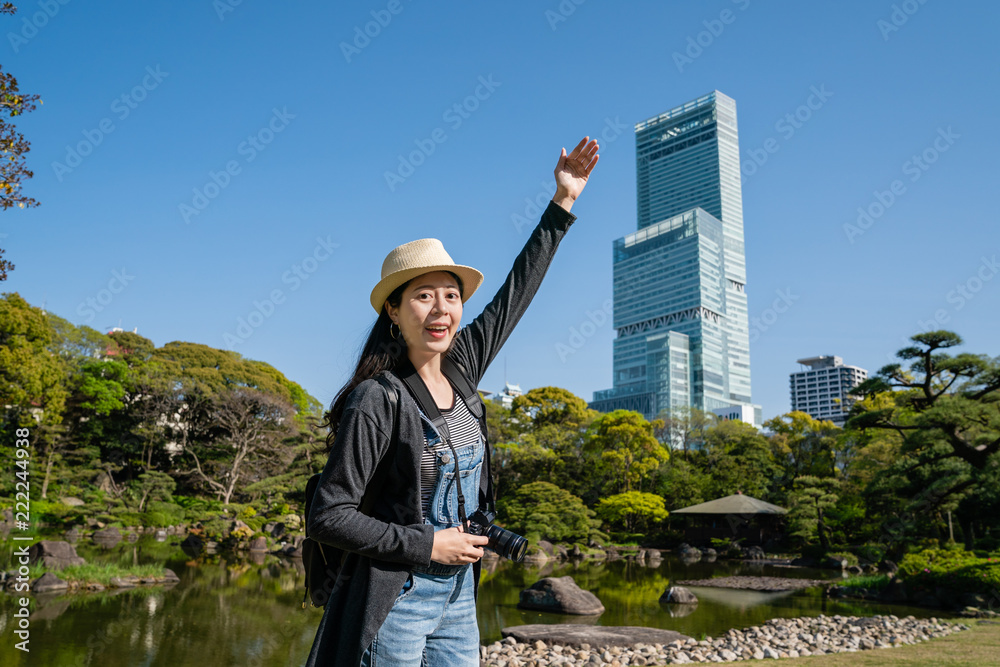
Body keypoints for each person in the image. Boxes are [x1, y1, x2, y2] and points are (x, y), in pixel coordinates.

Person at [305, 137, 600, 667]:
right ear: (393, 312)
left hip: (460, 598)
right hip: (398, 598)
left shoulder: (462, 369)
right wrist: (428, 545)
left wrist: (562, 203)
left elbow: (516, 292)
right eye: (423, 295)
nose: (441, 308)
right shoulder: (378, 399)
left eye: (451, 294)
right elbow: (330, 516)